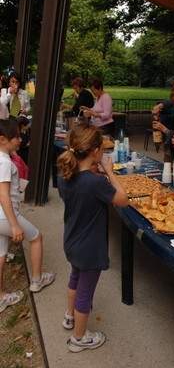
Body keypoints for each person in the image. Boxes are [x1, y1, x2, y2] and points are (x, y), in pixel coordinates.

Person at [57, 122, 128, 353]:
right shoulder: (96, 182)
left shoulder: (65, 175)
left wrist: (95, 172)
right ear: (95, 151)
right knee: (85, 294)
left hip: (72, 242)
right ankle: (79, 338)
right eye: (103, 149)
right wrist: (109, 172)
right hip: (90, 249)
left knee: (74, 279)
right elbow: (123, 199)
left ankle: (69, 317)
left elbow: (81, 192)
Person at [0, 119, 54, 313]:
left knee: (1, 253)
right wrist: (14, 225)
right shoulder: (5, 164)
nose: (20, 138)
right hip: (6, 216)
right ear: (3, 139)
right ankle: (37, 279)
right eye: (16, 136)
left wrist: (12, 150)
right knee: (37, 238)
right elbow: (3, 194)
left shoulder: (2, 157)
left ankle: (0, 298)